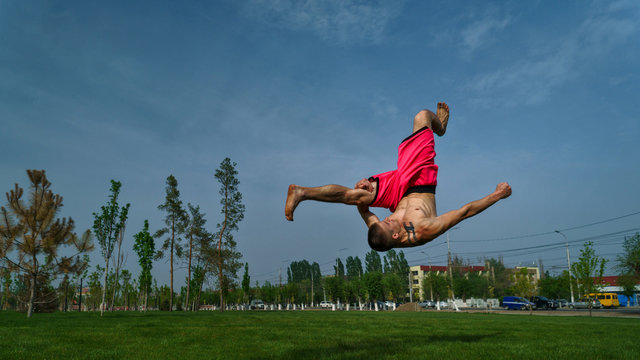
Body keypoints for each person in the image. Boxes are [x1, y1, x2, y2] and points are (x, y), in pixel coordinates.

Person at [284, 102, 512, 251]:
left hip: (396, 191)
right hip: (421, 181)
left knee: (358, 196)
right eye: (388, 222)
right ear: (395, 236)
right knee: (422, 116)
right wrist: (497, 195)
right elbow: (464, 212)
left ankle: (302, 192)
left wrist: (363, 184)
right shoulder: (423, 230)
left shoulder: (380, 229)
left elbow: (363, 211)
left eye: (383, 220)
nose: (387, 218)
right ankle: (439, 127)